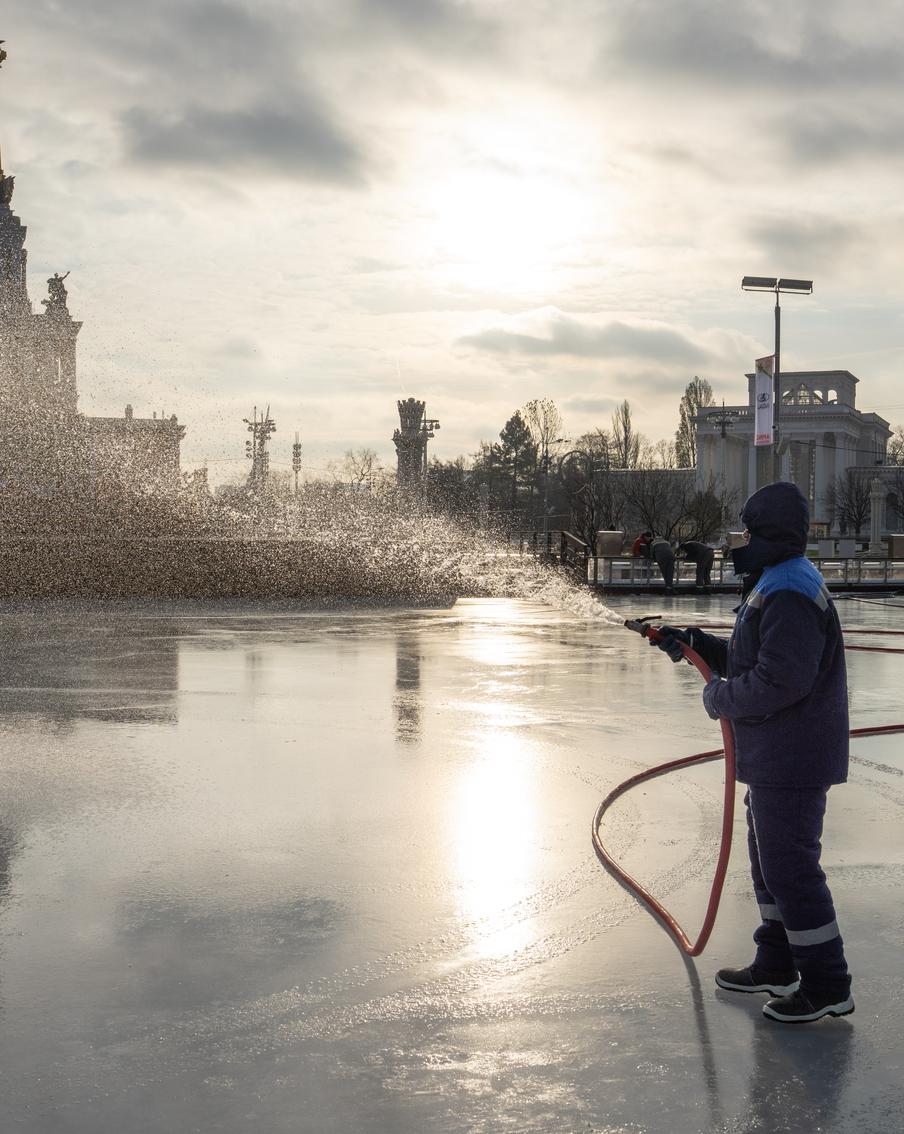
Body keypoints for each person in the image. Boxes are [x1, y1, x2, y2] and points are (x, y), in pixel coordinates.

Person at [650, 482, 853, 1024]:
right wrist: (697, 643)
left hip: (793, 757)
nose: (740, 539)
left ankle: (827, 983)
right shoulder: (776, 580)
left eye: (747, 529)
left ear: (766, 531)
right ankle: (777, 963)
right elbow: (753, 657)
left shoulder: (788, 590)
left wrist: (719, 697)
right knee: (770, 864)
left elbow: (781, 680)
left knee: (791, 869)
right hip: (776, 755)